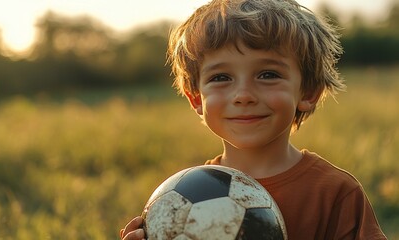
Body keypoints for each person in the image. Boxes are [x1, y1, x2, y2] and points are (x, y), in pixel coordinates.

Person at [120, 0, 388, 239]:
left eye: (268, 74)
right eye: (221, 78)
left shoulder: (336, 194)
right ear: (197, 100)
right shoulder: (182, 197)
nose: (243, 95)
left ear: (307, 93)